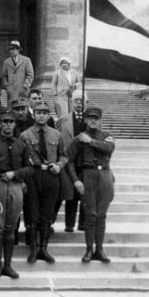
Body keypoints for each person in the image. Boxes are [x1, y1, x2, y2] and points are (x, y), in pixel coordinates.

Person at [0, 111, 32, 279]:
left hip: (15, 186)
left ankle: (8, 265)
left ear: (15, 124)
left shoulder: (22, 145)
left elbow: (29, 168)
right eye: (4, 122)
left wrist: (15, 174)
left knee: (11, 227)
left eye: (11, 122)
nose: (8, 125)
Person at [65, 107, 115, 264]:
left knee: (102, 215)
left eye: (96, 118)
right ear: (85, 120)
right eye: (90, 118)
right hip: (88, 175)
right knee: (90, 214)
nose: (93, 120)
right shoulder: (78, 139)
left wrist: (91, 141)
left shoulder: (106, 136)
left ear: (100, 120)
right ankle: (88, 249)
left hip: (105, 175)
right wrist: (75, 180)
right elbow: (69, 161)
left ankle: (99, 249)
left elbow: (109, 148)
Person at [20, 101, 67, 264]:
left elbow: (64, 156)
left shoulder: (57, 135)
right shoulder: (25, 135)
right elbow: (21, 158)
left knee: (47, 214)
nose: (41, 115)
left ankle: (43, 249)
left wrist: (59, 166)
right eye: (38, 112)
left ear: (48, 116)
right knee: (32, 213)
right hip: (32, 175)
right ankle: (33, 250)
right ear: (33, 115)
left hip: (50, 175)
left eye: (44, 113)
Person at [55, 92, 86, 233]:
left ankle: (83, 223)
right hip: (69, 161)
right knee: (70, 194)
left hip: (85, 162)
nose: (79, 104)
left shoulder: (90, 120)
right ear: (72, 103)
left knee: (85, 193)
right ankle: (69, 224)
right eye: (76, 101)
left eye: (81, 101)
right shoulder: (63, 120)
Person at [1, 40, 34, 107]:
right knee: (11, 108)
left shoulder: (26, 60)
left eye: (13, 49)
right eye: (10, 49)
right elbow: (4, 76)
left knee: (23, 107)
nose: (11, 51)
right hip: (11, 90)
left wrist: (25, 86)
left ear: (18, 49)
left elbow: (30, 74)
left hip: (22, 90)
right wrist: (7, 86)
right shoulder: (6, 62)